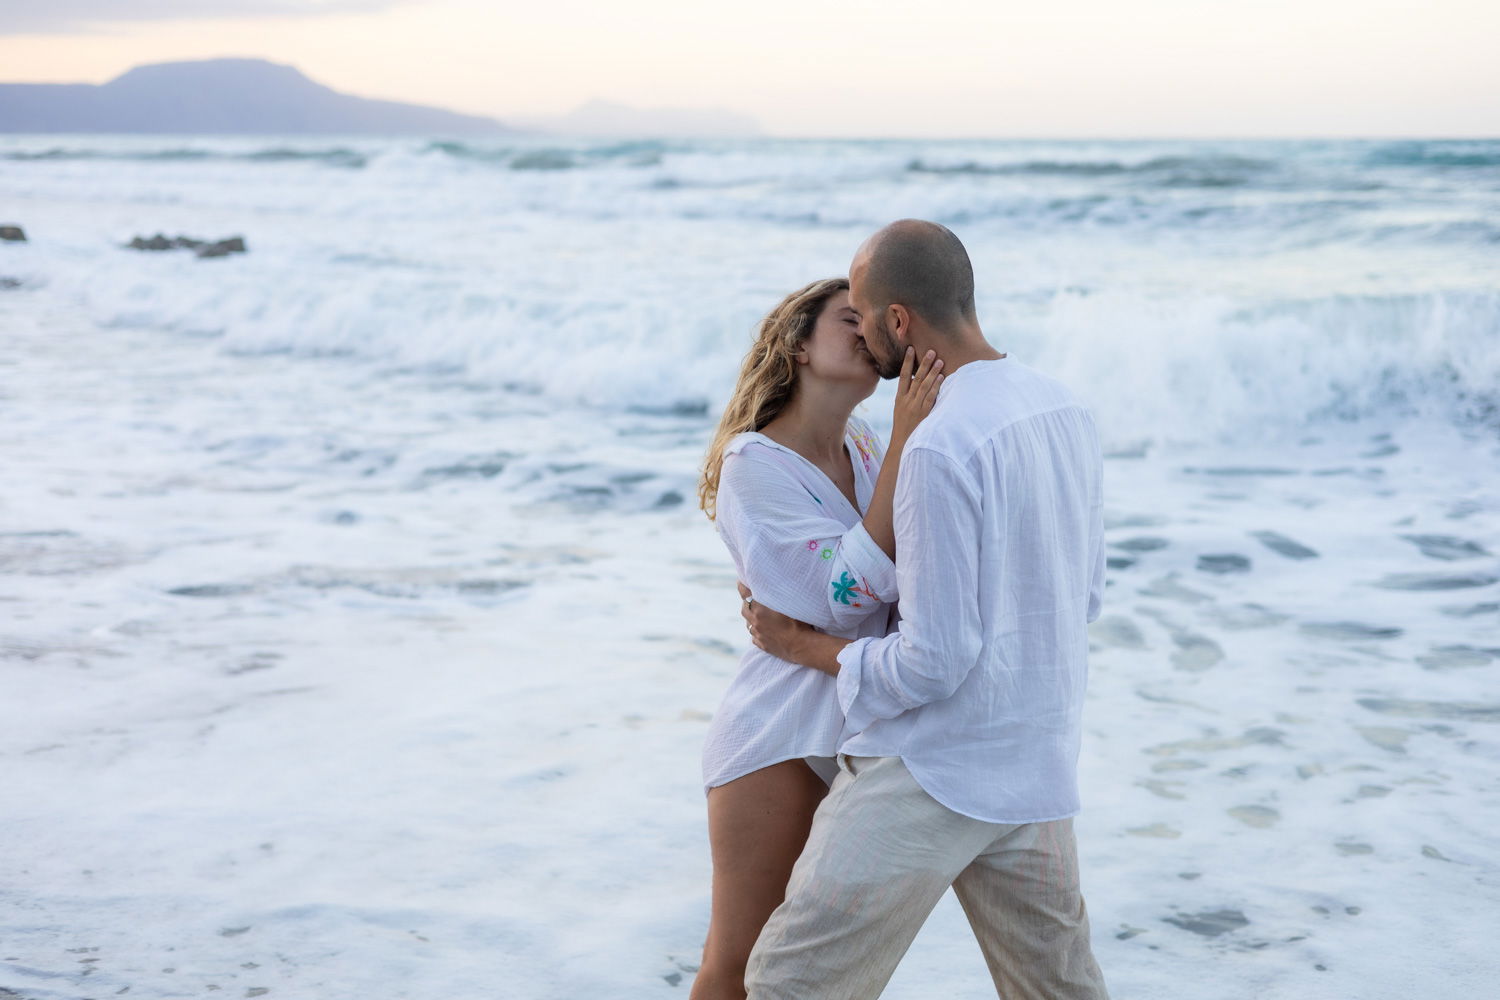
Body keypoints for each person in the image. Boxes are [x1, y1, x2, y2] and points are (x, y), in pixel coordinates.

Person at [740, 220, 1110, 999]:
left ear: (899, 321)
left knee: (788, 985)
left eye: (866, 316)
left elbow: (933, 661)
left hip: (930, 771)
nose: (865, 335)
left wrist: (808, 648)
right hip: (1037, 762)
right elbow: (1085, 597)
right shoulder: (1066, 408)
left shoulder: (938, 444)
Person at [691, 277, 945, 1000]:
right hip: (778, 732)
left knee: (809, 974)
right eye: (848, 319)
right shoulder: (753, 464)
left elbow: (915, 567)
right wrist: (908, 437)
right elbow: (844, 600)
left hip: (860, 726)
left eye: (871, 318)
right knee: (739, 963)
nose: (868, 330)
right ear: (798, 346)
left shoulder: (867, 445)